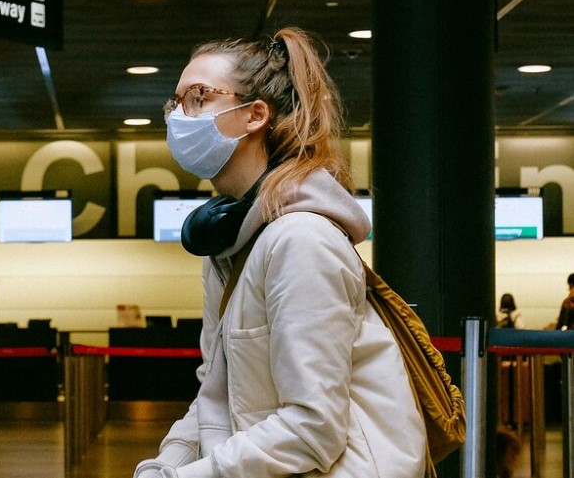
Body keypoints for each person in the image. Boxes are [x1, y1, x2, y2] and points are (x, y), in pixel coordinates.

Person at [133, 27, 426, 478]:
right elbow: (216, 395)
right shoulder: (230, 243)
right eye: (174, 103)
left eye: (197, 97)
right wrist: (165, 463)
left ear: (254, 115)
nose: (178, 116)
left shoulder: (301, 240)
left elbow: (313, 428)